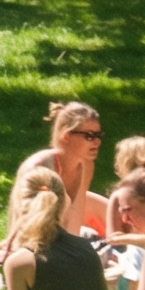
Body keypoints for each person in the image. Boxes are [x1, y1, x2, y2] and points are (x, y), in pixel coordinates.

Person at [15, 102, 109, 238]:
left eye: (98, 135)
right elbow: (29, 223)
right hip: (32, 239)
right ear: (66, 136)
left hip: (63, 240)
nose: (97, 142)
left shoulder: (86, 165)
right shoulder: (39, 167)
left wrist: (72, 249)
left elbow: (76, 214)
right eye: (89, 136)